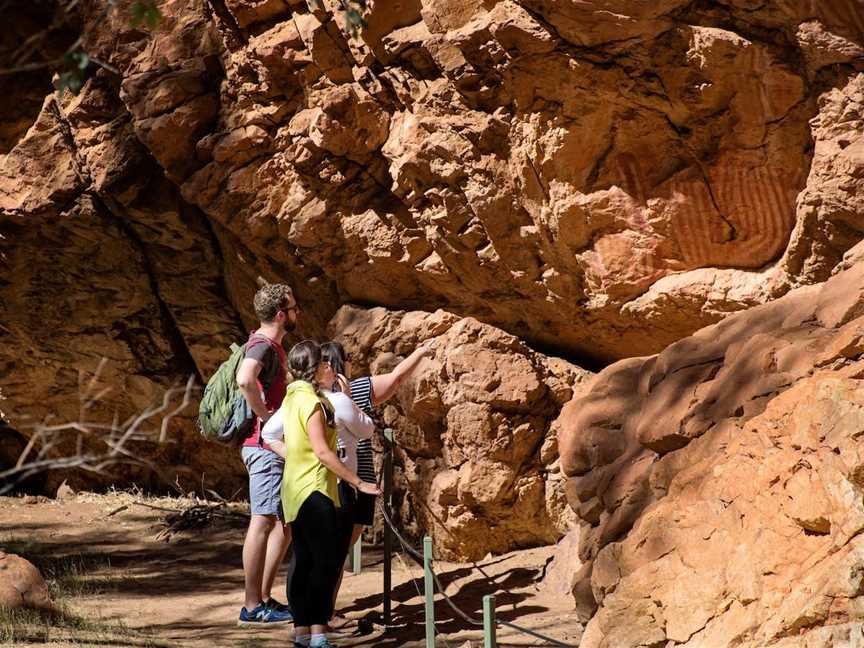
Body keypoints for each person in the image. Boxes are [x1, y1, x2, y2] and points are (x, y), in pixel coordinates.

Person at [264, 340, 379, 648]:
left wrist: (295, 457)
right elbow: (324, 453)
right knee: (324, 564)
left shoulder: (292, 398)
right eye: (326, 364)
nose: (331, 368)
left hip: (293, 489)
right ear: (318, 369)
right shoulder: (315, 404)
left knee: (303, 561)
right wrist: (359, 482)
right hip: (317, 490)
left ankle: (302, 631)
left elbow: (270, 435)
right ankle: (317, 634)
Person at [318, 339, 432, 628]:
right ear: (340, 363)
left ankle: (321, 612)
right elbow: (396, 379)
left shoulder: (314, 394)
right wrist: (420, 352)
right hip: (355, 481)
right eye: (348, 358)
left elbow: (394, 380)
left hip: (333, 478)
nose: (352, 362)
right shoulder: (351, 391)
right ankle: (323, 614)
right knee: (337, 549)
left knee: (332, 548)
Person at [235, 282, 297, 626]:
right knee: (262, 522)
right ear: (280, 314)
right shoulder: (262, 345)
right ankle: (251, 605)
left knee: (280, 524)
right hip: (263, 447)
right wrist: (265, 415)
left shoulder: (269, 345)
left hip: (268, 447)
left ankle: (262, 598)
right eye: (293, 308)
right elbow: (246, 380)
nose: (297, 313)